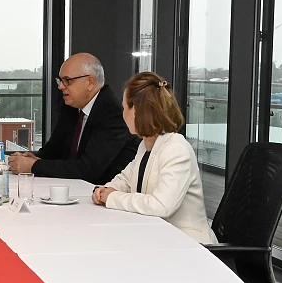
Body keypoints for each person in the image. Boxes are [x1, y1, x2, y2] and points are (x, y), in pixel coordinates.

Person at [92, 72, 217, 244]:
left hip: (188, 245)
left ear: (136, 111)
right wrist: (107, 189)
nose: (123, 114)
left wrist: (112, 197)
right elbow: (126, 179)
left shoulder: (176, 148)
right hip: (159, 238)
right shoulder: (146, 145)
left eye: (124, 108)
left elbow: (162, 206)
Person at [8, 53, 139, 185]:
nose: (60, 86)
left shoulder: (112, 113)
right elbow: (53, 150)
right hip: (73, 188)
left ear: (90, 82)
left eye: (68, 80)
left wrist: (34, 166)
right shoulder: (71, 106)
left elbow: (88, 170)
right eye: (60, 80)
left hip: (102, 191)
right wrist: (34, 158)